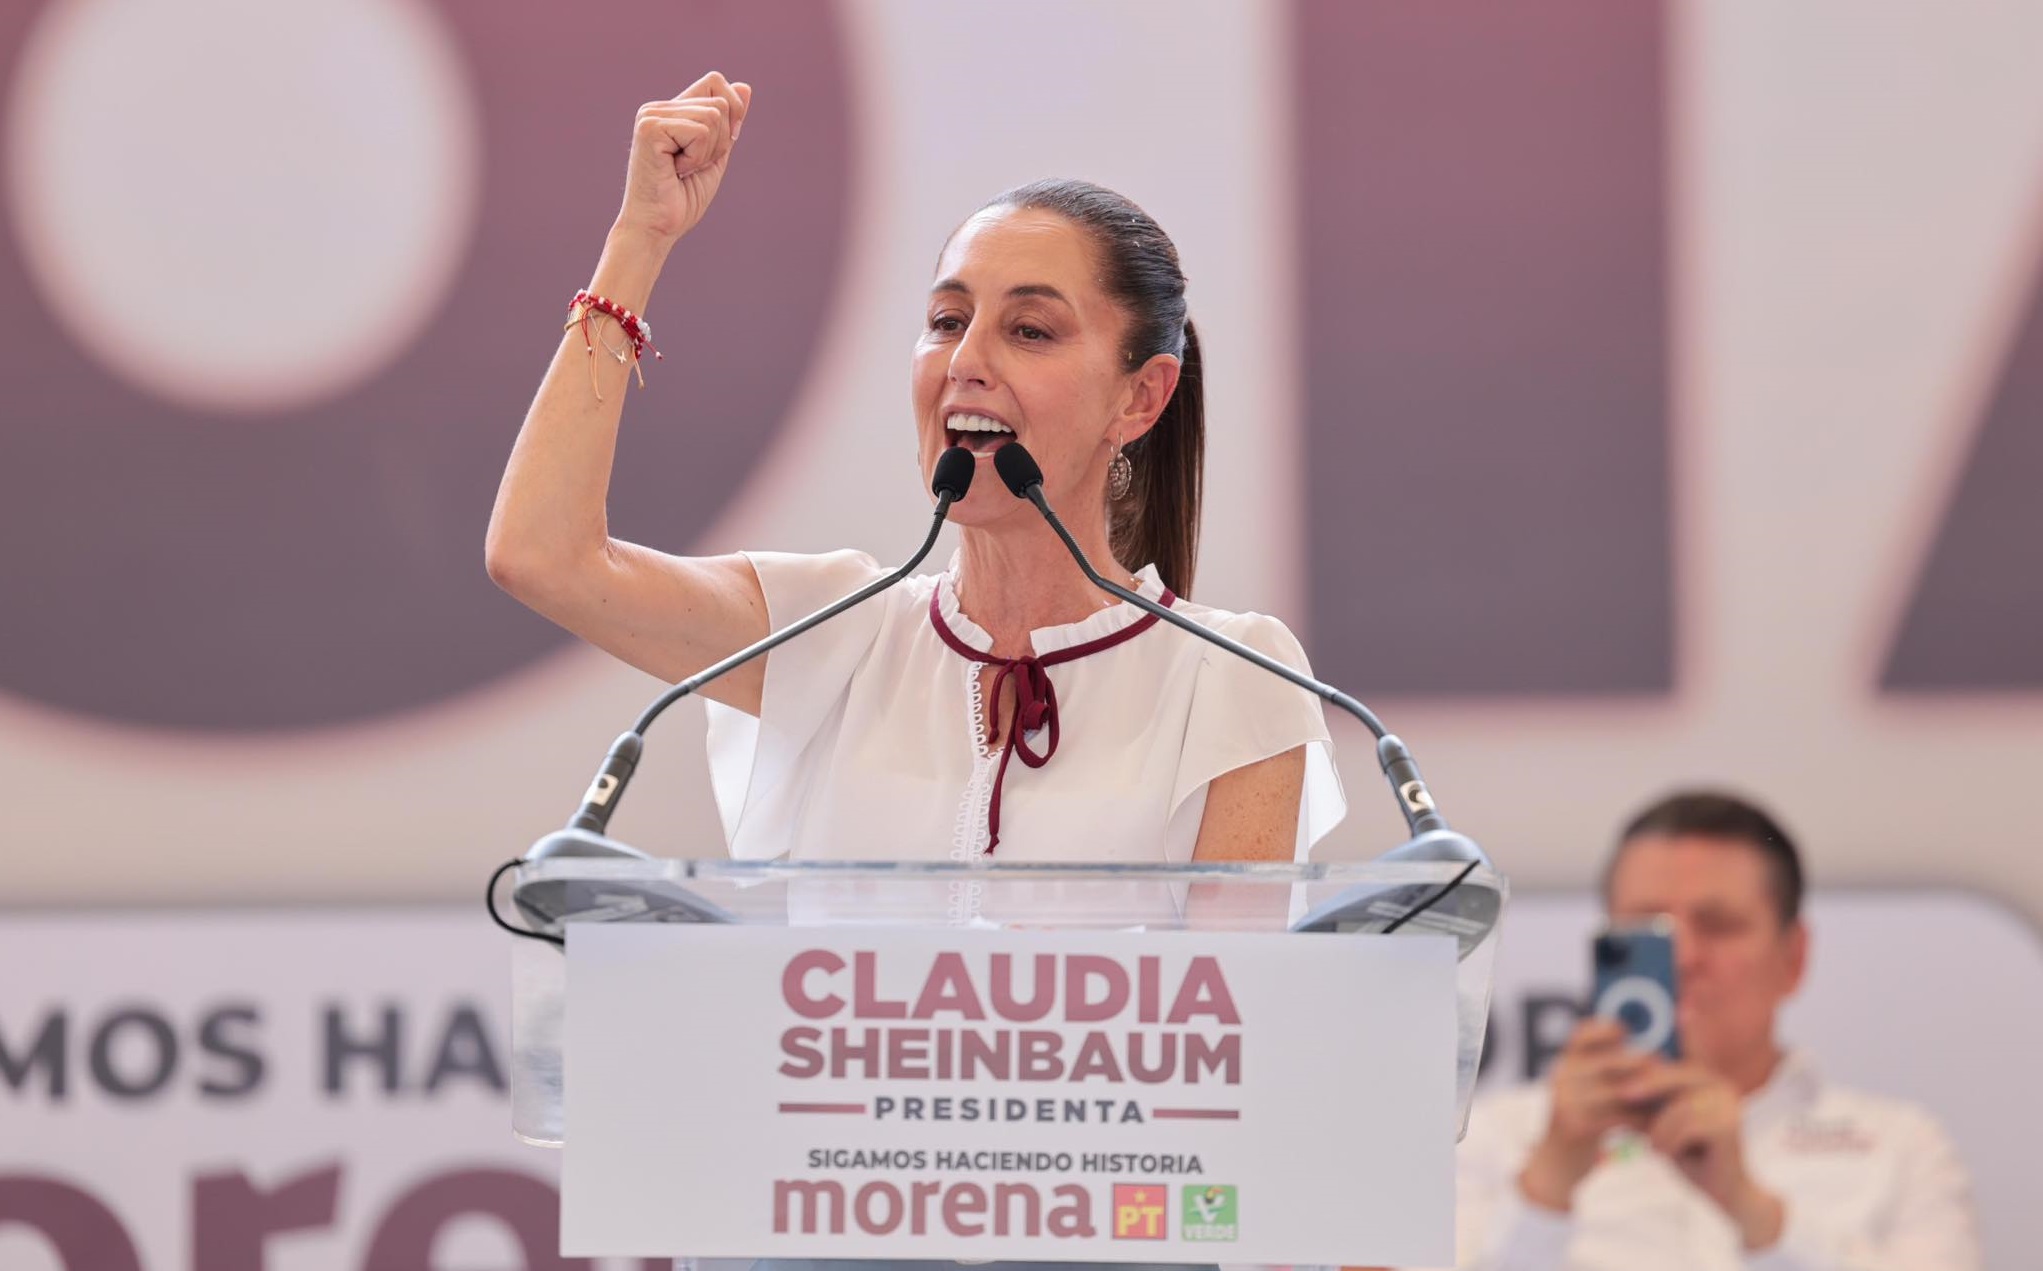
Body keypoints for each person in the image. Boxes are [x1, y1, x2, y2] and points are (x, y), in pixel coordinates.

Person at [484, 71, 1344, 870]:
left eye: (1030, 330)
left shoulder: (1235, 677)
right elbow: (542, 555)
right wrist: (639, 237)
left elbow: (1228, 1018)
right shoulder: (829, 633)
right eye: (945, 319)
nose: (964, 360)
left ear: (1140, 399)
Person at [1436, 791, 1981, 1270]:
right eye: (1649, 927)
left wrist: (1754, 1212)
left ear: (1793, 957)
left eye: (1718, 926)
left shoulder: (1903, 1149)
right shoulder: (1493, 1142)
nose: (1685, 956)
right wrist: (1547, 1189)